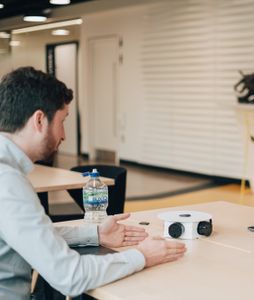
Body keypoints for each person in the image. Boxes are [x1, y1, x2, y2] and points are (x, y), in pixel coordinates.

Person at [0, 67, 186, 299]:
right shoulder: (7, 182)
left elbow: (31, 235)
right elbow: (70, 276)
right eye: (62, 121)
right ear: (39, 120)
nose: (64, 135)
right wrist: (142, 256)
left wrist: (95, 234)